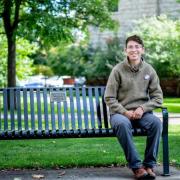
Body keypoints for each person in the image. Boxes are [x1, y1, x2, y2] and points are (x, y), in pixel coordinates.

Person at [104, 35, 163, 179]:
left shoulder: (149, 70)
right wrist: (125, 112)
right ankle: (137, 167)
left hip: (142, 113)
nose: (134, 50)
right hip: (120, 114)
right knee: (123, 125)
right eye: (130, 47)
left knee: (156, 123)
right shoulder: (117, 70)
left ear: (142, 50)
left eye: (137, 47)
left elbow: (158, 97)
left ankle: (149, 165)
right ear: (125, 50)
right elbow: (109, 98)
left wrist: (142, 108)